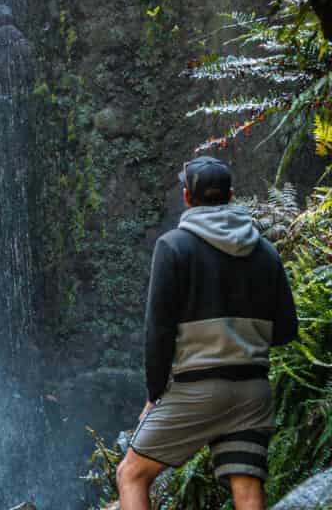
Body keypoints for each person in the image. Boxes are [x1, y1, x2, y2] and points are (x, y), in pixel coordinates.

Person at [115, 156, 299, 510]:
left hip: (198, 390)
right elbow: (285, 331)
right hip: (253, 391)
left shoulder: (173, 247)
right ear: (231, 195)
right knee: (246, 486)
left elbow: (159, 332)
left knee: (132, 474)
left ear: (186, 197)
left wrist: (155, 394)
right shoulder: (266, 252)